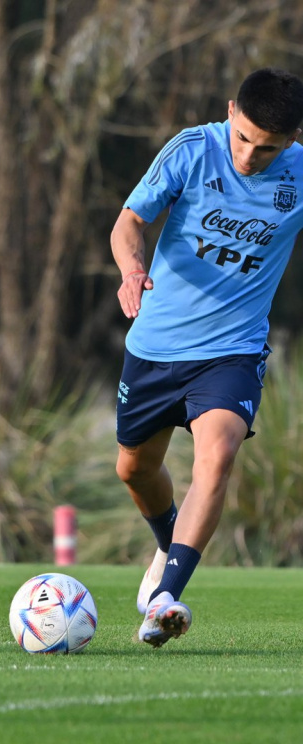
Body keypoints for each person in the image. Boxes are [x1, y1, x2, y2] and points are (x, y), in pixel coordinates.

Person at [111, 67, 303, 648]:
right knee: (133, 470)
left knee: (216, 457)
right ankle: (167, 542)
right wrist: (132, 270)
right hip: (156, 346)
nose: (248, 156)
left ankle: (165, 598)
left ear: (292, 140)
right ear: (230, 111)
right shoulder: (192, 150)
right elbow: (129, 222)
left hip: (232, 352)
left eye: (267, 148)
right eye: (242, 138)